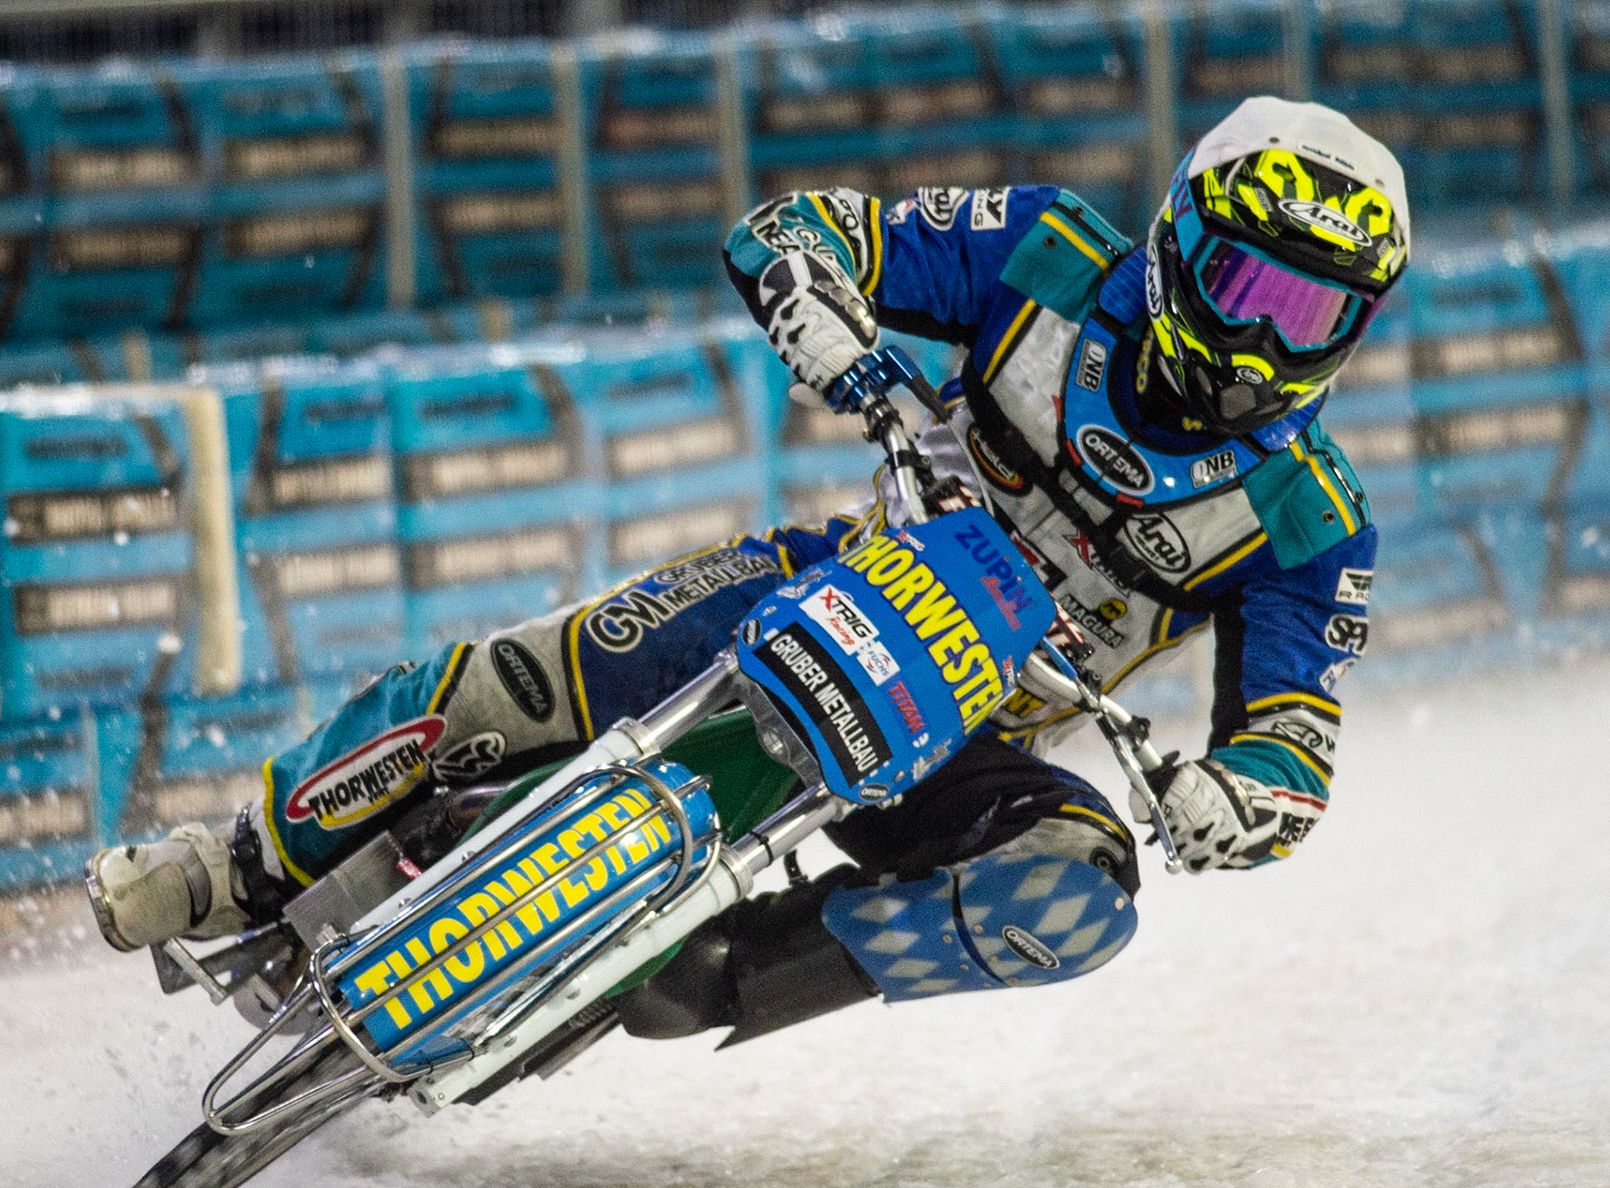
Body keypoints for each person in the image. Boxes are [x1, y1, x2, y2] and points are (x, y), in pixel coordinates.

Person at [87, 96, 1403, 1042]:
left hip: (980, 734)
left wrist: (1231, 802)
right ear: (1180, 238)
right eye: (1247, 287)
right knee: (516, 689)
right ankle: (237, 862)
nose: (1259, 341)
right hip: (832, 586)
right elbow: (792, 229)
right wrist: (837, 334)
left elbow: (1294, 745)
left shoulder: (1311, 520)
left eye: (1309, 313)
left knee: (1078, 890)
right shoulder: (1046, 252)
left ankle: (737, 969)